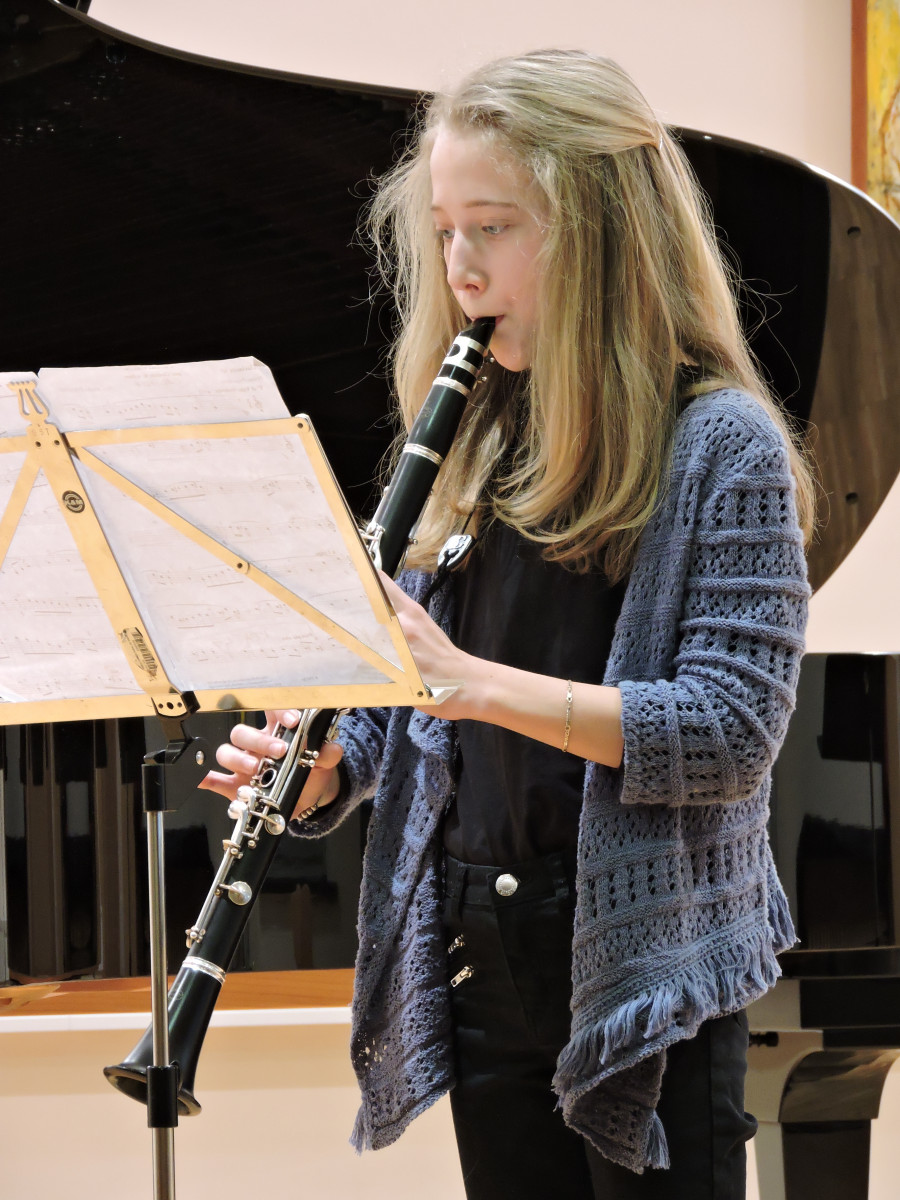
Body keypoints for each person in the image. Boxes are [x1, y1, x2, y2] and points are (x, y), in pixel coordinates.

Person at [201, 49, 814, 1200]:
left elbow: (729, 733)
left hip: (649, 962)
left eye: (492, 228)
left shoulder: (719, 444)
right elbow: (414, 697)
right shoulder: (472, 438)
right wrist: (330, 762)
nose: (461, 268)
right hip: (482, 946)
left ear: (601, 233)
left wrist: (472, 682)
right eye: (445, 231)